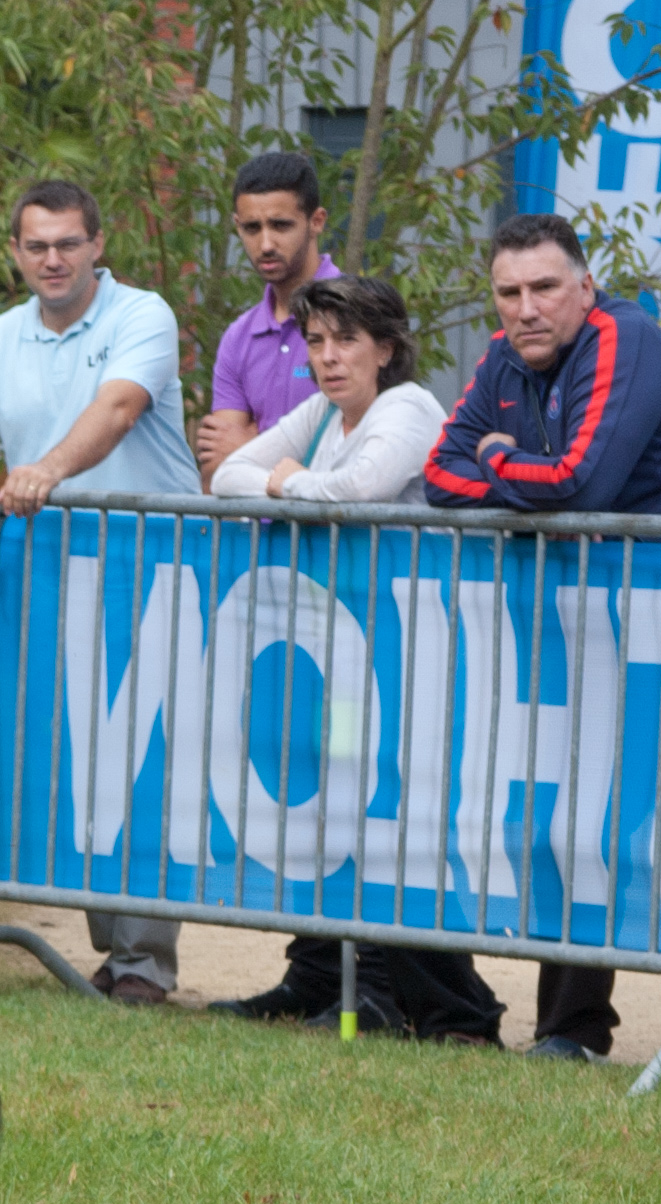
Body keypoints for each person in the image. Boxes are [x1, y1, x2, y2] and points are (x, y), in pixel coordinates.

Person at [0, 178, 202, 1004]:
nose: (53, 259)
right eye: (36, 246)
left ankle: (142, 963)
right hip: (50, 576)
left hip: (152, 567)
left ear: (98, 245)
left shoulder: (143, 314)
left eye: (69, 243)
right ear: (15, 253)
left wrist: (47, 469)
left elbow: (119, 409)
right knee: (76, 757)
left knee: (143, 761)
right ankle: (116, 948)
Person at [424, 212, 661, 1060]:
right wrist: (515, 472)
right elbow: (437, 473)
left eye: (544, 287)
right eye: (508, 292)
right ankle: (572, 1030)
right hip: (580, 618)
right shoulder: (503, 355)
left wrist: (495, 459)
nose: (526, 307)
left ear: (586, 286)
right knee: (573, 812)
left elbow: (582, 483)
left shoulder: (626, 337)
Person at [209, 278, 499, 1042]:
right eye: (316, 342)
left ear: (387, 348)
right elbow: (227, 474)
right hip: (342, 659)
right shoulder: (322, 414)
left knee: (391, 817)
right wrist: (287, 482)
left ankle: (451, 1010)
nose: (328, 357)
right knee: (335, 800)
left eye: (346, 341)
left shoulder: (408, 408)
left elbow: (353, 492)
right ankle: (324, 979)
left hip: (409, 657)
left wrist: (285, 482)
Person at [195, 152, 339, 489]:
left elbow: (362, 460)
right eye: (252, 228)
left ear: (317, 221)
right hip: (256, 523)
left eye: (280, 225)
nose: (266, 244)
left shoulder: (361, 317)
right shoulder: (238, 337)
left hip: (336, 521)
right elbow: (217, 471)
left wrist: (250, 447)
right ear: (237, 226)